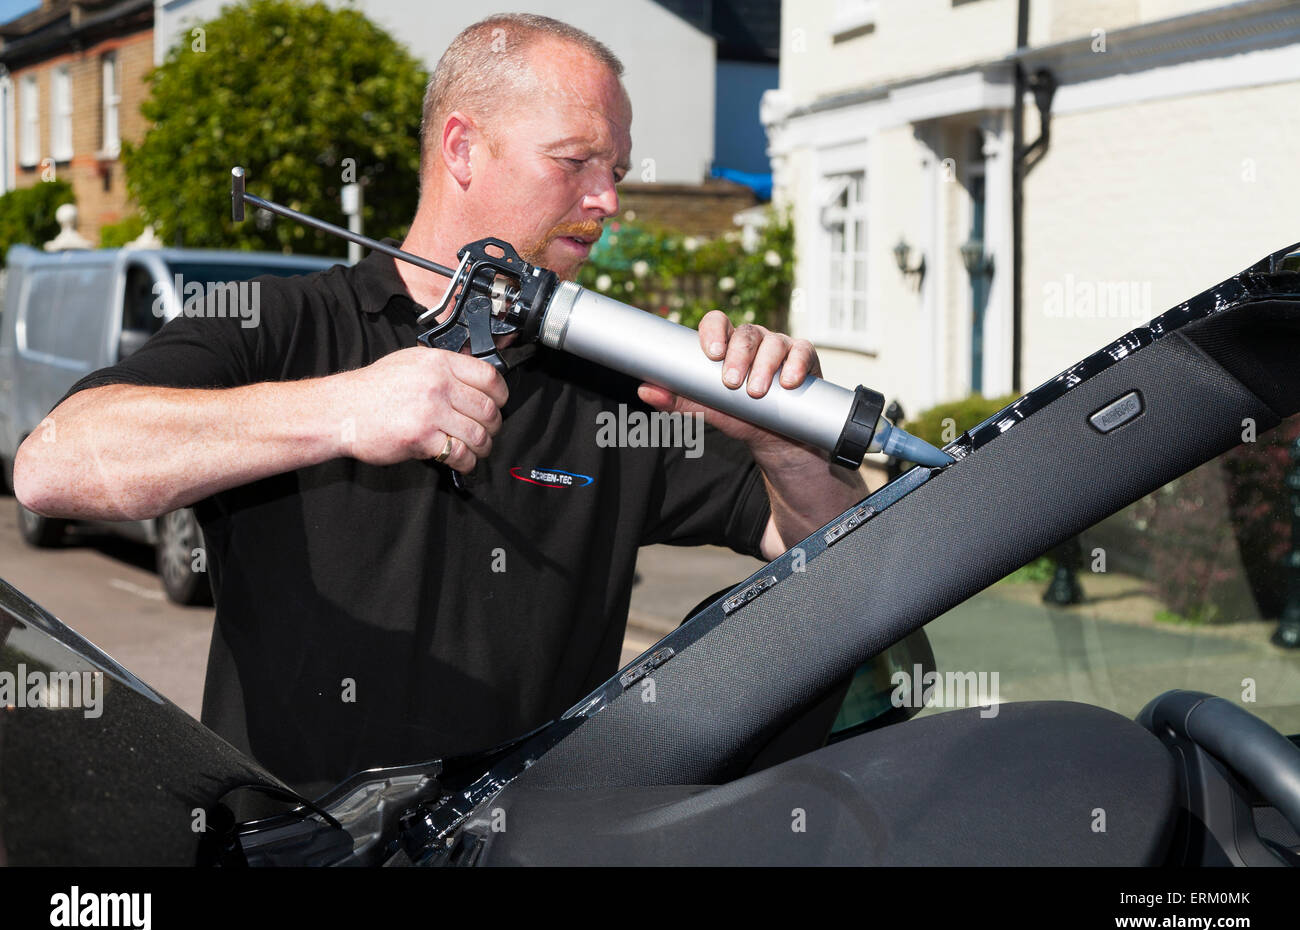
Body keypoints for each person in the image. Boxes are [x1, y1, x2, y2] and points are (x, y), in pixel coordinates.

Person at [13, 14, 865, 799]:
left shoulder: (623, 383)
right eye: (575, 162)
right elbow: (53, 468)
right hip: (292, 851)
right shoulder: (281, 326)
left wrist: (782, 446)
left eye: (614, 168)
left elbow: (849, 563)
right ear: (462, 148)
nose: (608, 199)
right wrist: (344, 411)